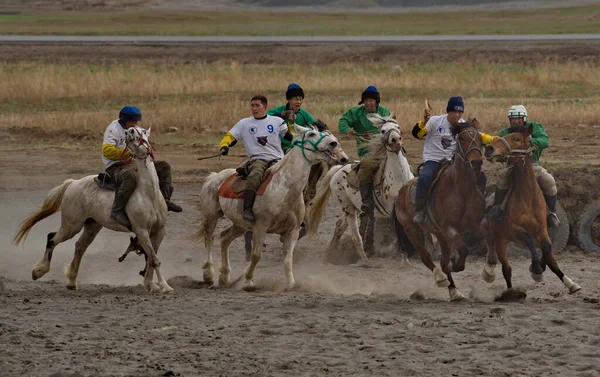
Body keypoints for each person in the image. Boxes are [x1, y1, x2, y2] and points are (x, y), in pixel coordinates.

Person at [410, 96, 495, 225]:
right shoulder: (434, 121)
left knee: (481, 177)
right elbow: (418, 134)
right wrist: (423, 123)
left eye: (459, 112)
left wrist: (499, 140)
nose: (456, 115)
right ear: (448, 111)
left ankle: (479, 207)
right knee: (425, 178)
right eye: (454, 111)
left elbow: (482, 136)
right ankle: (420, 210)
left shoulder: (463, 126)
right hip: (433, 160)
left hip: (453, 161)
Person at [102, 106, 182, 229]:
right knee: (130, 177)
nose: (135, 124)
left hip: (133, 163)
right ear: (124, 120)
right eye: (132, 121)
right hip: (115, 166)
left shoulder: (137, 129)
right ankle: (116, 211)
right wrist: (129, 152)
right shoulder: (113, 130)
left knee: (164, 167)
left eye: (137, 121)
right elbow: (107, 151)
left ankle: (164, 201)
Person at [219, 95, 292, 222]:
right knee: (255, 176)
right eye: (252, 105)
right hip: (258, 159)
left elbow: (289, 136)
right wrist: (224, 146)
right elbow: (230, 136)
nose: (254, 108)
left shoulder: (276, 121)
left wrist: (290, 124)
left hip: (278, 159)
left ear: (265, 107)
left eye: (257, 105)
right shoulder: (244, 123)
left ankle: (295, 210)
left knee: (293, 178)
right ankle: (248, 208)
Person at [487, 105, 560, 228]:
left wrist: (529, 142)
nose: (515, 121)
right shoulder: (505, 133)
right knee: (502, 175)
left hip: (532, 166)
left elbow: (545, 141)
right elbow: (498, 151)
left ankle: (552, 212)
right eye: (512, 118)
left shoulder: (534, 127)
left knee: (548, 180)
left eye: (518, 118)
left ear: (524, 119)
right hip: (512, 166)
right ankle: (497, 207)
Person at [338, 86, 391, 219]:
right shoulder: (356, 112)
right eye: (366, 100)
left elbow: (390, 127)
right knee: (366, 167)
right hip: (366, 150)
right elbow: (343, 121)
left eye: (371, 100)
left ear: (376, 101)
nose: (368, 103)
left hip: (385, 149)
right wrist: (347, 130)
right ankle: (366, 201)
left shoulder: (384, 112)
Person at [267, 83, 327, 151]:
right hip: (278, 146)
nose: (298, 102)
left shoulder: (304, 114)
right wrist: (282, 115)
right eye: (296, 99)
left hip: (295, 146)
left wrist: (324, 130)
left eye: (300, 99)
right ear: (289, 99)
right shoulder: (279, 110)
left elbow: (316, 126)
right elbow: (265, 118)